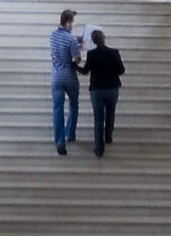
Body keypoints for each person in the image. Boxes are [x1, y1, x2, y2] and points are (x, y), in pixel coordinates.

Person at [78, 28, 124, 156]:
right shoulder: (114, 53)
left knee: (98, 118)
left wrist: (75, 66)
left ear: (93, 41)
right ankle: (108, 136)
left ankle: (99, 148)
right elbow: (121, 70)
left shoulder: (92, 54)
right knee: (110, 113)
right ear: (104, 38)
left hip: (97, 89)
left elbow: (85, 71)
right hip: (112, 88)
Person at [49, 10, 82, 154]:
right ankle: (70, 133)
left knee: (58, 109)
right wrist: (79, 47)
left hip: (56, 76)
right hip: (69, 75)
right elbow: (77, 59)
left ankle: (60, 142)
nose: (74, 24)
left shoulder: (53, 36)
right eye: (73, 21)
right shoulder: (71, 40)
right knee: (73, 104)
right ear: (68, 22)